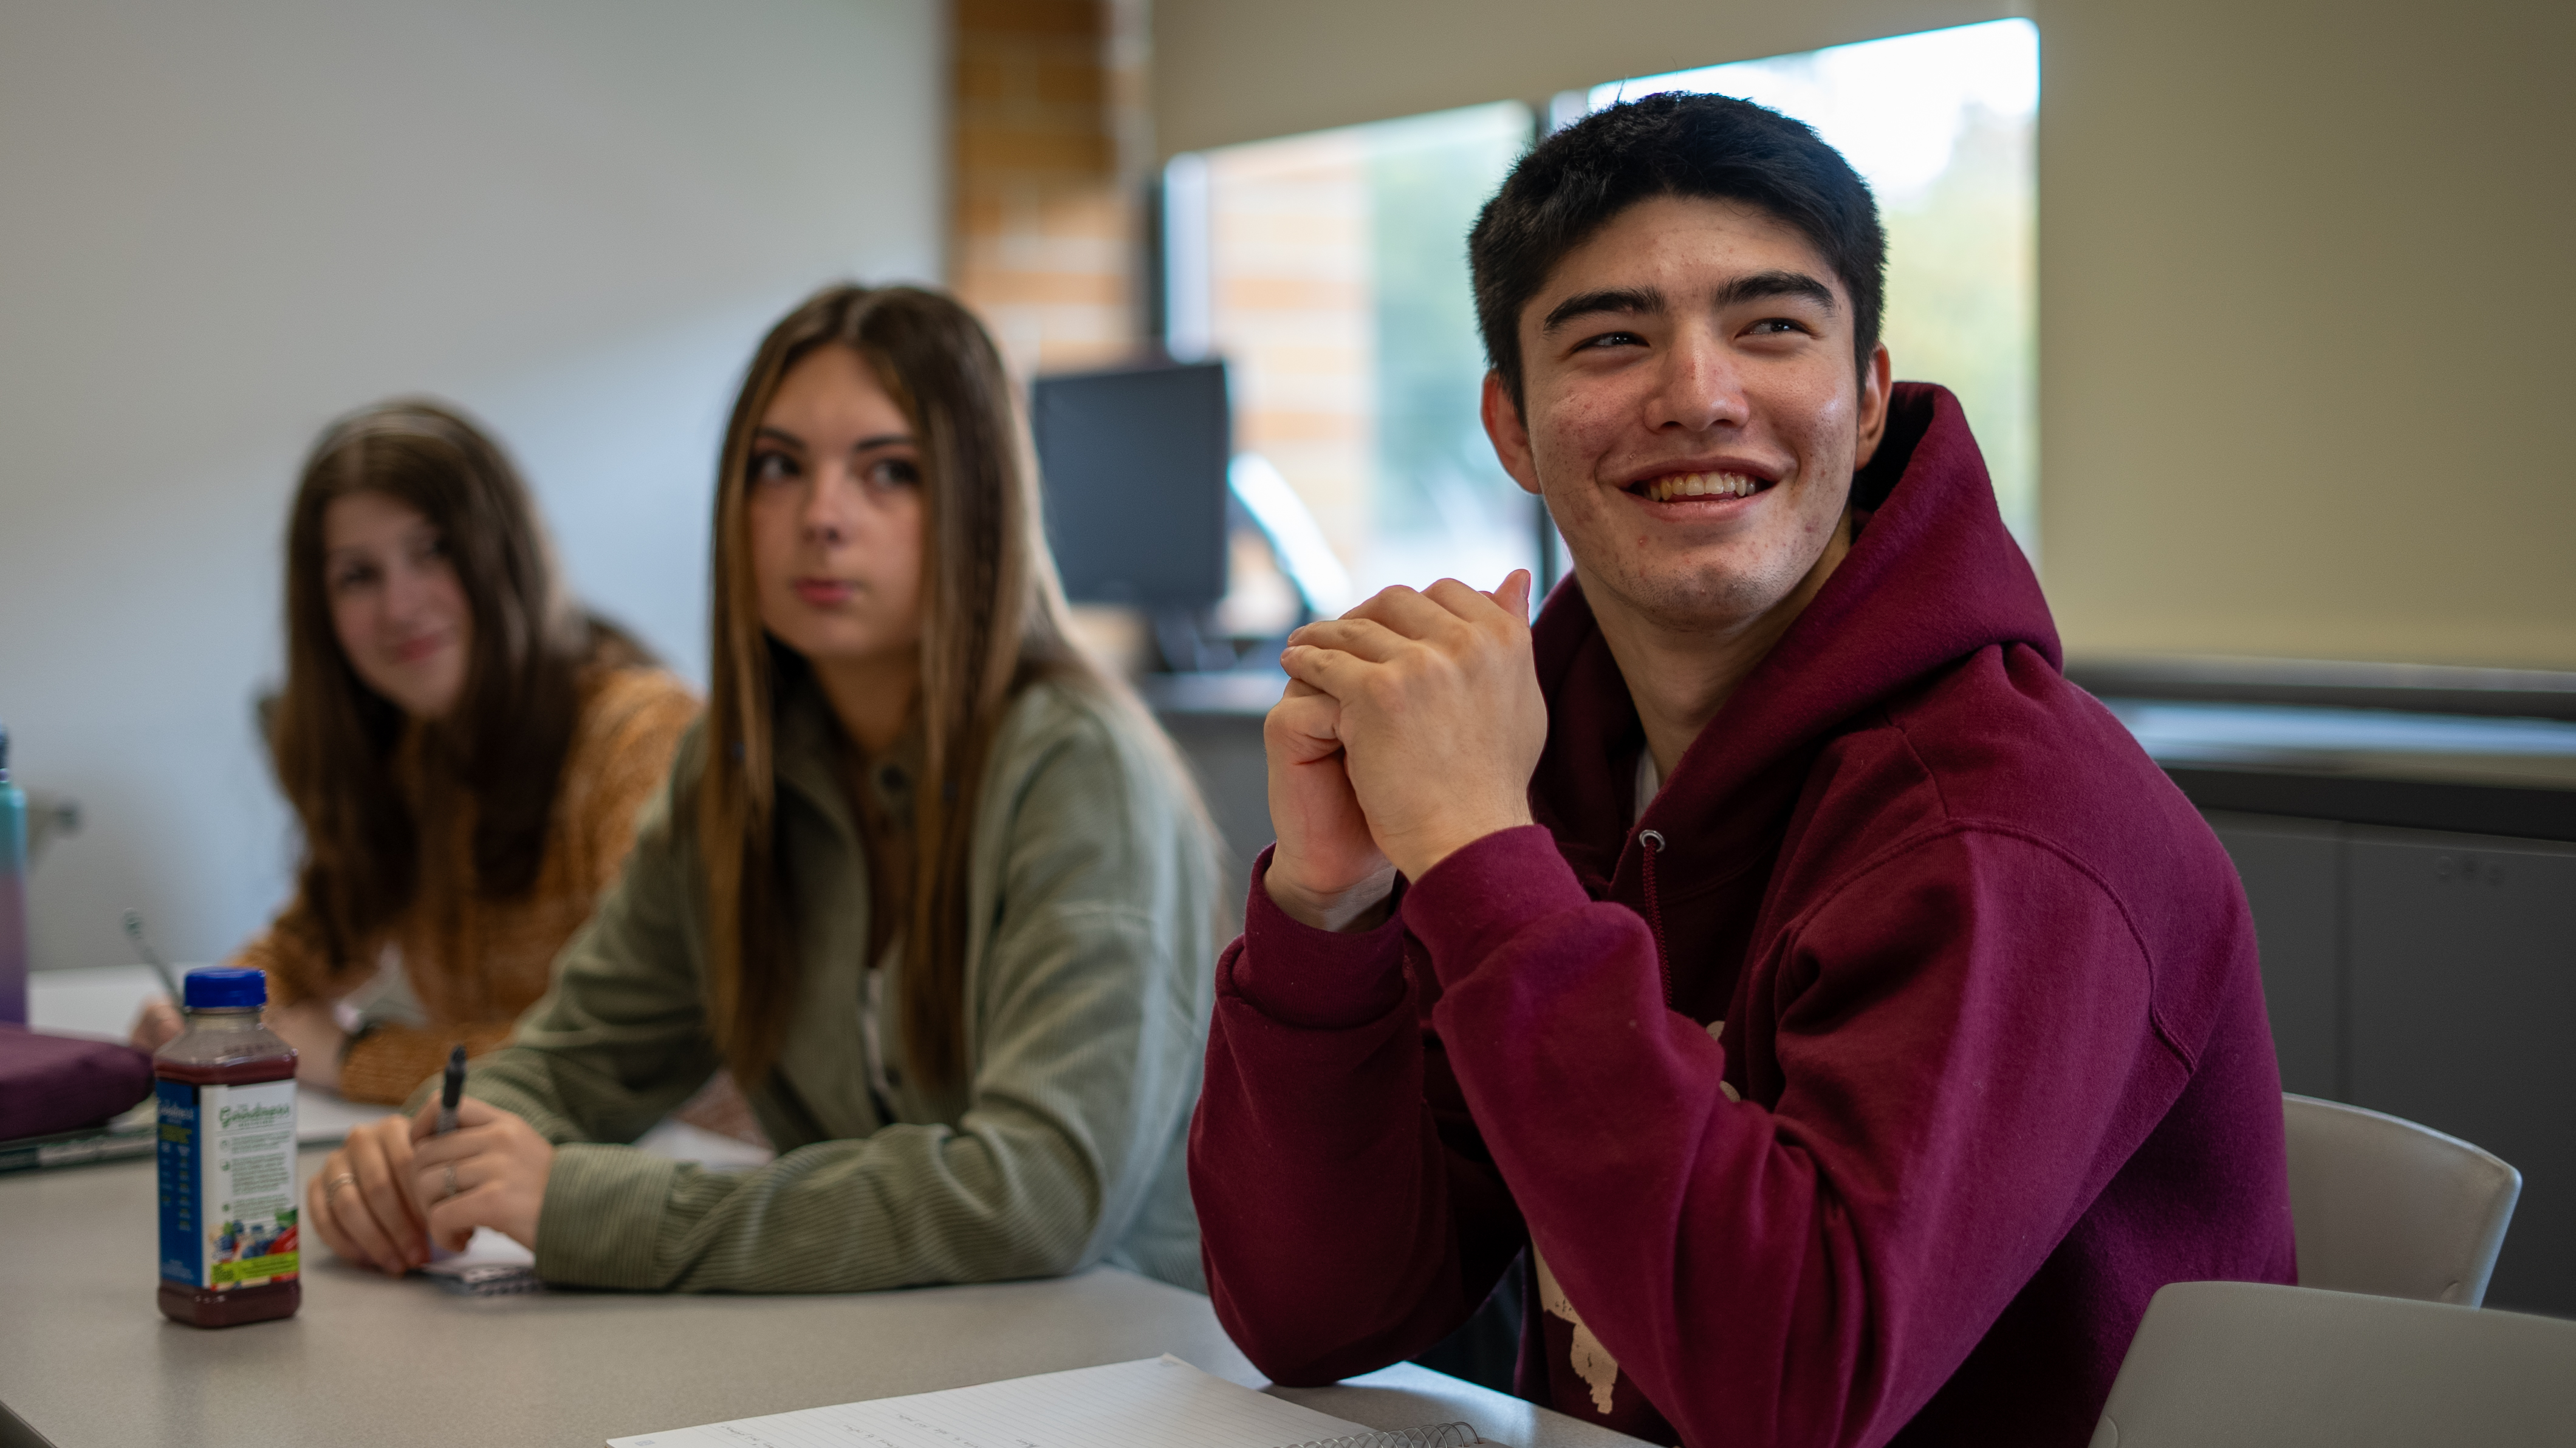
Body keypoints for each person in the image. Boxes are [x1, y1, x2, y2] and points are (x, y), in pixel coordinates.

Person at [1189, 94, 2295, 1447]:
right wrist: (1329, 905)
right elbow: (1313, 1311)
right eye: (1611, 339)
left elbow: (1793, 1396)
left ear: (1868, 397)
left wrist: (1481, 858)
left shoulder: (2011, 824)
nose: (1699, 397)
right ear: (1511, 427)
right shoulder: (1549, 763)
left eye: (1770, 326)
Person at [306, 284, 1220, 1295]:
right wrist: (430, 1150)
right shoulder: (734, 768)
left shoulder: (1084, 769)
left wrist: (585, 1204)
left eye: (890, 472)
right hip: (883, 1340)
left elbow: (1038, 1192)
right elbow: (581, 1057)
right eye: (779, 467)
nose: (821, 517)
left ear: (981, 507)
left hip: (1115, 1342)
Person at [132, 401, 698, 1105]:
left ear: (508, 552)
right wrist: (213, 1017)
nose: (399, 607)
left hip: (694, 1156)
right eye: (357, 576)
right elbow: (308, 947)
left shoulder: (643, 737)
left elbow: (633, 1050)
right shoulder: (416, 751)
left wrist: (353, 1054)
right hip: (517, 1155)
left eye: (433, 550)